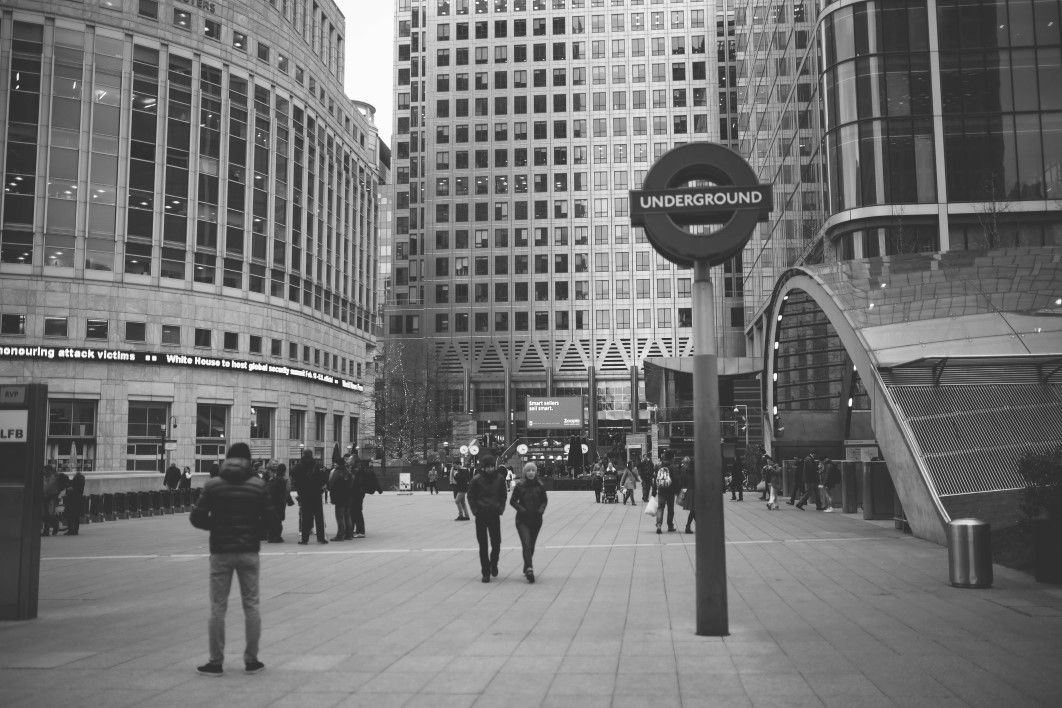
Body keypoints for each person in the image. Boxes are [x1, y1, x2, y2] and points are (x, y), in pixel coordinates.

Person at [189, 442, 275, 677]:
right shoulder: (258, 486)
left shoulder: (213, 485)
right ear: (249, 461)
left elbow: (196, 517)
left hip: (221, 551)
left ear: (227, 459)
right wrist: (254, 531)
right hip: (248, 551)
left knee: (218, 606)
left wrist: (216, 526)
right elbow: (271, 519)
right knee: (251, 605)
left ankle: (216, 661)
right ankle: (252, 660)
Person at [466, 456, 507, 583]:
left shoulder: (500, 479)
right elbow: (470, 496)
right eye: (487, 467)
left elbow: (503, 495)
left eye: (491, 466)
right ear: (483, 467)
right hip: (481, 515)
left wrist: (500, 509)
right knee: (483, 545)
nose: (489, 469)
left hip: (494, 514)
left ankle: (493, 563)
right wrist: (475, 510)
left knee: (496, 543)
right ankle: (485, 572)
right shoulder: (476, 480)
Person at [510, 461, 547, 583]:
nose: (531, 472)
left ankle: (527, 565)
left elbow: (544, 501)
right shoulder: (520, 486)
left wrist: (541, 510)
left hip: (536, 520)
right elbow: (513, 501)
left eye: (533, 470)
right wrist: (521, 509)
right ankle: (530, 569)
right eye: (528, 471)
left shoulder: (540, 485)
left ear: (536, 472)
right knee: (526, 543)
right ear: (525, 473)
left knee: (531, 546)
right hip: (522, 520)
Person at [293, 450, 327, 544]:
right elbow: (323, 478)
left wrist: (300, 490)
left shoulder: (299, 466)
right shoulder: (316, 465)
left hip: (305, 494)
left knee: (306, 518)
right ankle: (321, 538)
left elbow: (294, 478)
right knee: (319, 517)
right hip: (316, 494)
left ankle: (305, 539)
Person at [328, 459, 355, 540]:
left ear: (338, 464)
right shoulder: (348, 472)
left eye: (335, 463)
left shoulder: (336, 472)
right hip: (348, 497)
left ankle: (340, 535)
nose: (334, 465)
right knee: (347, 516)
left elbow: (331, 484)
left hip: (339, 497)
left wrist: (332, 496)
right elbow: (352, 484)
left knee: (340, 516)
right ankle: (349, 534)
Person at [266, 463, 292, 542]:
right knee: (278, 520)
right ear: (284, 471)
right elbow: (284, 492)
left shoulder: (273, 479)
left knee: (273, 520)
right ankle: (277, 537)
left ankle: (271, 536)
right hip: (279, 503)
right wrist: (289, 501)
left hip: (272, 502)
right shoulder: (282, 480)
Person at [653, 452, 677, 534]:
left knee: (660, 508)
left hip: (661, 490)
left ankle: (659, 525)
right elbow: (675, 479)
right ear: (671, 458)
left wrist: (654, 490)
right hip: (670, 491)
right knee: (670, 509)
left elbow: (656, 478)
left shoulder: (659, 466)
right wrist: (676, 490)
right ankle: (670, 526)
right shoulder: (672, 467)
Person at [64, 468, 86, 535]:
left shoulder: (75, 484)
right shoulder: (81, 480)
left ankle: (71, 530)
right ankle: (75, 530)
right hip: (78, 500)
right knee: (76, 516)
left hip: (72, 500)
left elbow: (72, 488)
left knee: (71, 515)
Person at [41, 465, 60, 536]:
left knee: (49, 514)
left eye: (45, 470)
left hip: (51, 498)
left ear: (49, 470)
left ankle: (55, 526)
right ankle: (46, 530)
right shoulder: (45, 477)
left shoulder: (53, 477)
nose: (44, 472)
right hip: (44, 497)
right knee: (45, 514)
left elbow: (50, 487)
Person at [681, 457, 695, 534]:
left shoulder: (685, 471)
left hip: (688, 492)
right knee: (694, 510)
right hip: (694, 492)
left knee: (694, 510)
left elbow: (683, 484)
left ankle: (689, 526)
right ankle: (688, 526)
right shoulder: (696, 472)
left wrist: (683, 493)